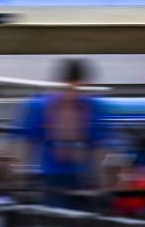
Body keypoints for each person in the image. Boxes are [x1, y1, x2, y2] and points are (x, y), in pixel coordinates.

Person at [12, 59, 106, 210]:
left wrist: (21, 179)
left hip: (56, 180)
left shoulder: (41, 104)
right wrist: (100, 182)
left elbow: (25, 144)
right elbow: (99, 148)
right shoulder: (91, 106)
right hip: (79, 179)